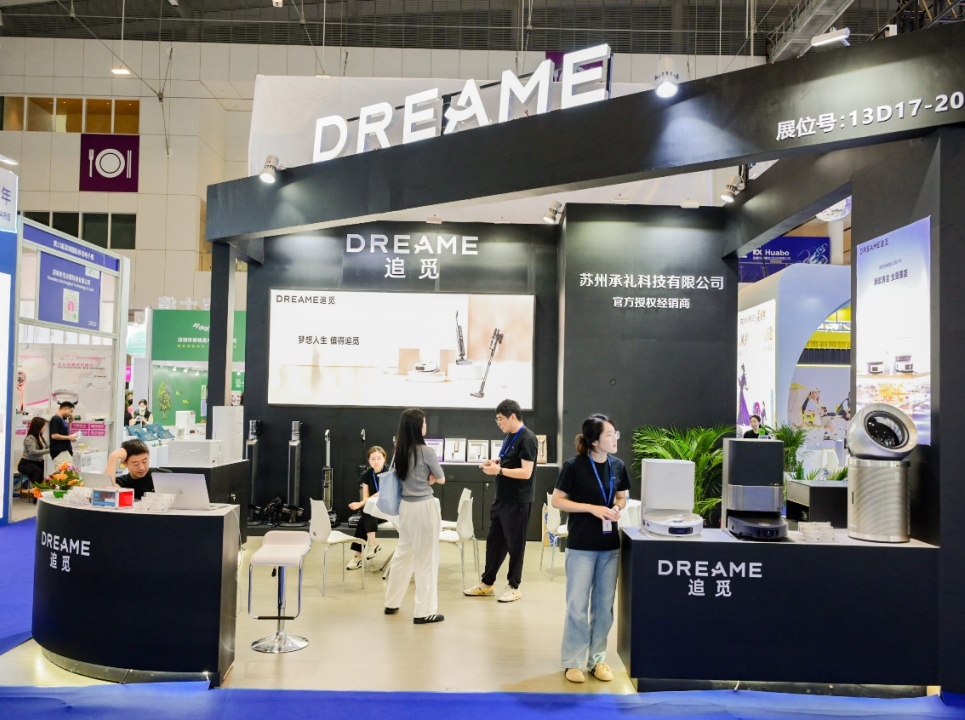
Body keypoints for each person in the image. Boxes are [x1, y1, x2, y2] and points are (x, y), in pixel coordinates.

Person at [552, 414, 631, 684]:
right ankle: (573, 661)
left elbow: (622, 496)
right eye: (609, 434)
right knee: (577, 605)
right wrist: (592, 509)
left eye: (615, 433)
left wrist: (617, 508)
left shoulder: (617, 465)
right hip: (581, 546)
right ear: (595, 441)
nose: (615, 438)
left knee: (603, 606)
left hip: (609, 546)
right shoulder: (574, 466)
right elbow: (558, 501)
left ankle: (597, 659)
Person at [464, 399, 538, 603]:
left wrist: (499, 470)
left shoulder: (528, 438)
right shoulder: (509, 436)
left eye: (500, 419)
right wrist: (495, 463)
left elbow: (526, 472)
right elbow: (508, 460)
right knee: (494, 543)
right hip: (502, 499)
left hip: (518, 501)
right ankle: (487, 583)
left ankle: (514, 586)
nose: (498, 423)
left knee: (515, 546)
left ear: (512, 416)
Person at [384, 408, 446, 624]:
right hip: (424, 507)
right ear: (418, 427)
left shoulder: (399, 451)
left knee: (403, 554)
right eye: (424, 422)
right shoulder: (425, 451)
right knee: (426, 559)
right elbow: (441, 478)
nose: (426, 425)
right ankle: (424, 611)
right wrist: (431, 478)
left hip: (405, 508)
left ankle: (392, 602)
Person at [346, 446, 388, 570]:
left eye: (379, 458)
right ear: (369, 460)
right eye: (373, 459)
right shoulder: (367, 474)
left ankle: (360, 555)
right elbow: (366, 496)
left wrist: (360, 504)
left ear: (384, 459)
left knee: (366, 513)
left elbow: (383, 492)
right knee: (365, 516)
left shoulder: (390, 473)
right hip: (374, 511)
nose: (376, 461)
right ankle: (369, 548)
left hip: (389, 510)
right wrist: (364, 502)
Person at [18, 416, 50, 490]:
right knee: (38, 472)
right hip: (26, 463)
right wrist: (49, 450)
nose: (44, 428)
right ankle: (36, 493)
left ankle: (43, 490)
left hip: (38, 462)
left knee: (48, 470)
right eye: (43, 426)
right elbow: (32, 452)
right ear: (38, 427)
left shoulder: (41, 437)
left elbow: (47, 447)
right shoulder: (30, 438)